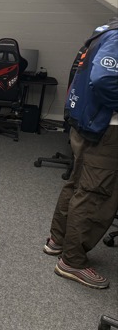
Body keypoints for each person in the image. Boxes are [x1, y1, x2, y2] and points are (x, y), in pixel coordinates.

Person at [44, 17, 118, 289]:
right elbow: (104, 80)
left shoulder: (105, 31)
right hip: (107, 128)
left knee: (78, 184)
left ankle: (58, 240)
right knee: (95, 194)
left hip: (88, 121)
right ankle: (72, 261)